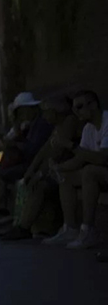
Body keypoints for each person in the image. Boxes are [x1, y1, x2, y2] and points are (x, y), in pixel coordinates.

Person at [0, 96, 80, 241]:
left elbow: (57, 154)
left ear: (55, 112)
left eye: (46, 111)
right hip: (58, 170)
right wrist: (31, 172)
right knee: (28, 182)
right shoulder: (56, 125)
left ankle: (25, 228)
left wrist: (40, 174)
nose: (43, 115)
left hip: (68, 170)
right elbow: (44, 151)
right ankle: (24, 226)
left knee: (40, 186)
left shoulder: (69, 123)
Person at [0, 92, 52, 227]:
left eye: (22, 111)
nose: (21, 114)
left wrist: (15, 144)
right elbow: (6, 141)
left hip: (30, 163)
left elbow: (33, 150)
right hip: (17, 160)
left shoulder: (40, 126)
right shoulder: (22, 126)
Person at [43, 90, 108, 249]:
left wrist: (69, 145)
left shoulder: (107, 122)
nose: (76, 112)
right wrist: (58, 168)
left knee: (89, 171)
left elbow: (103, 159)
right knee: (65, 177)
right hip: (102, 174)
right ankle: (70, 228)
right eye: (74, 108)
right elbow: (80, 159)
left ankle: (89, 230)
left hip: (102, 171)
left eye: (79, 107)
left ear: (93, 105)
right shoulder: (88, 128)